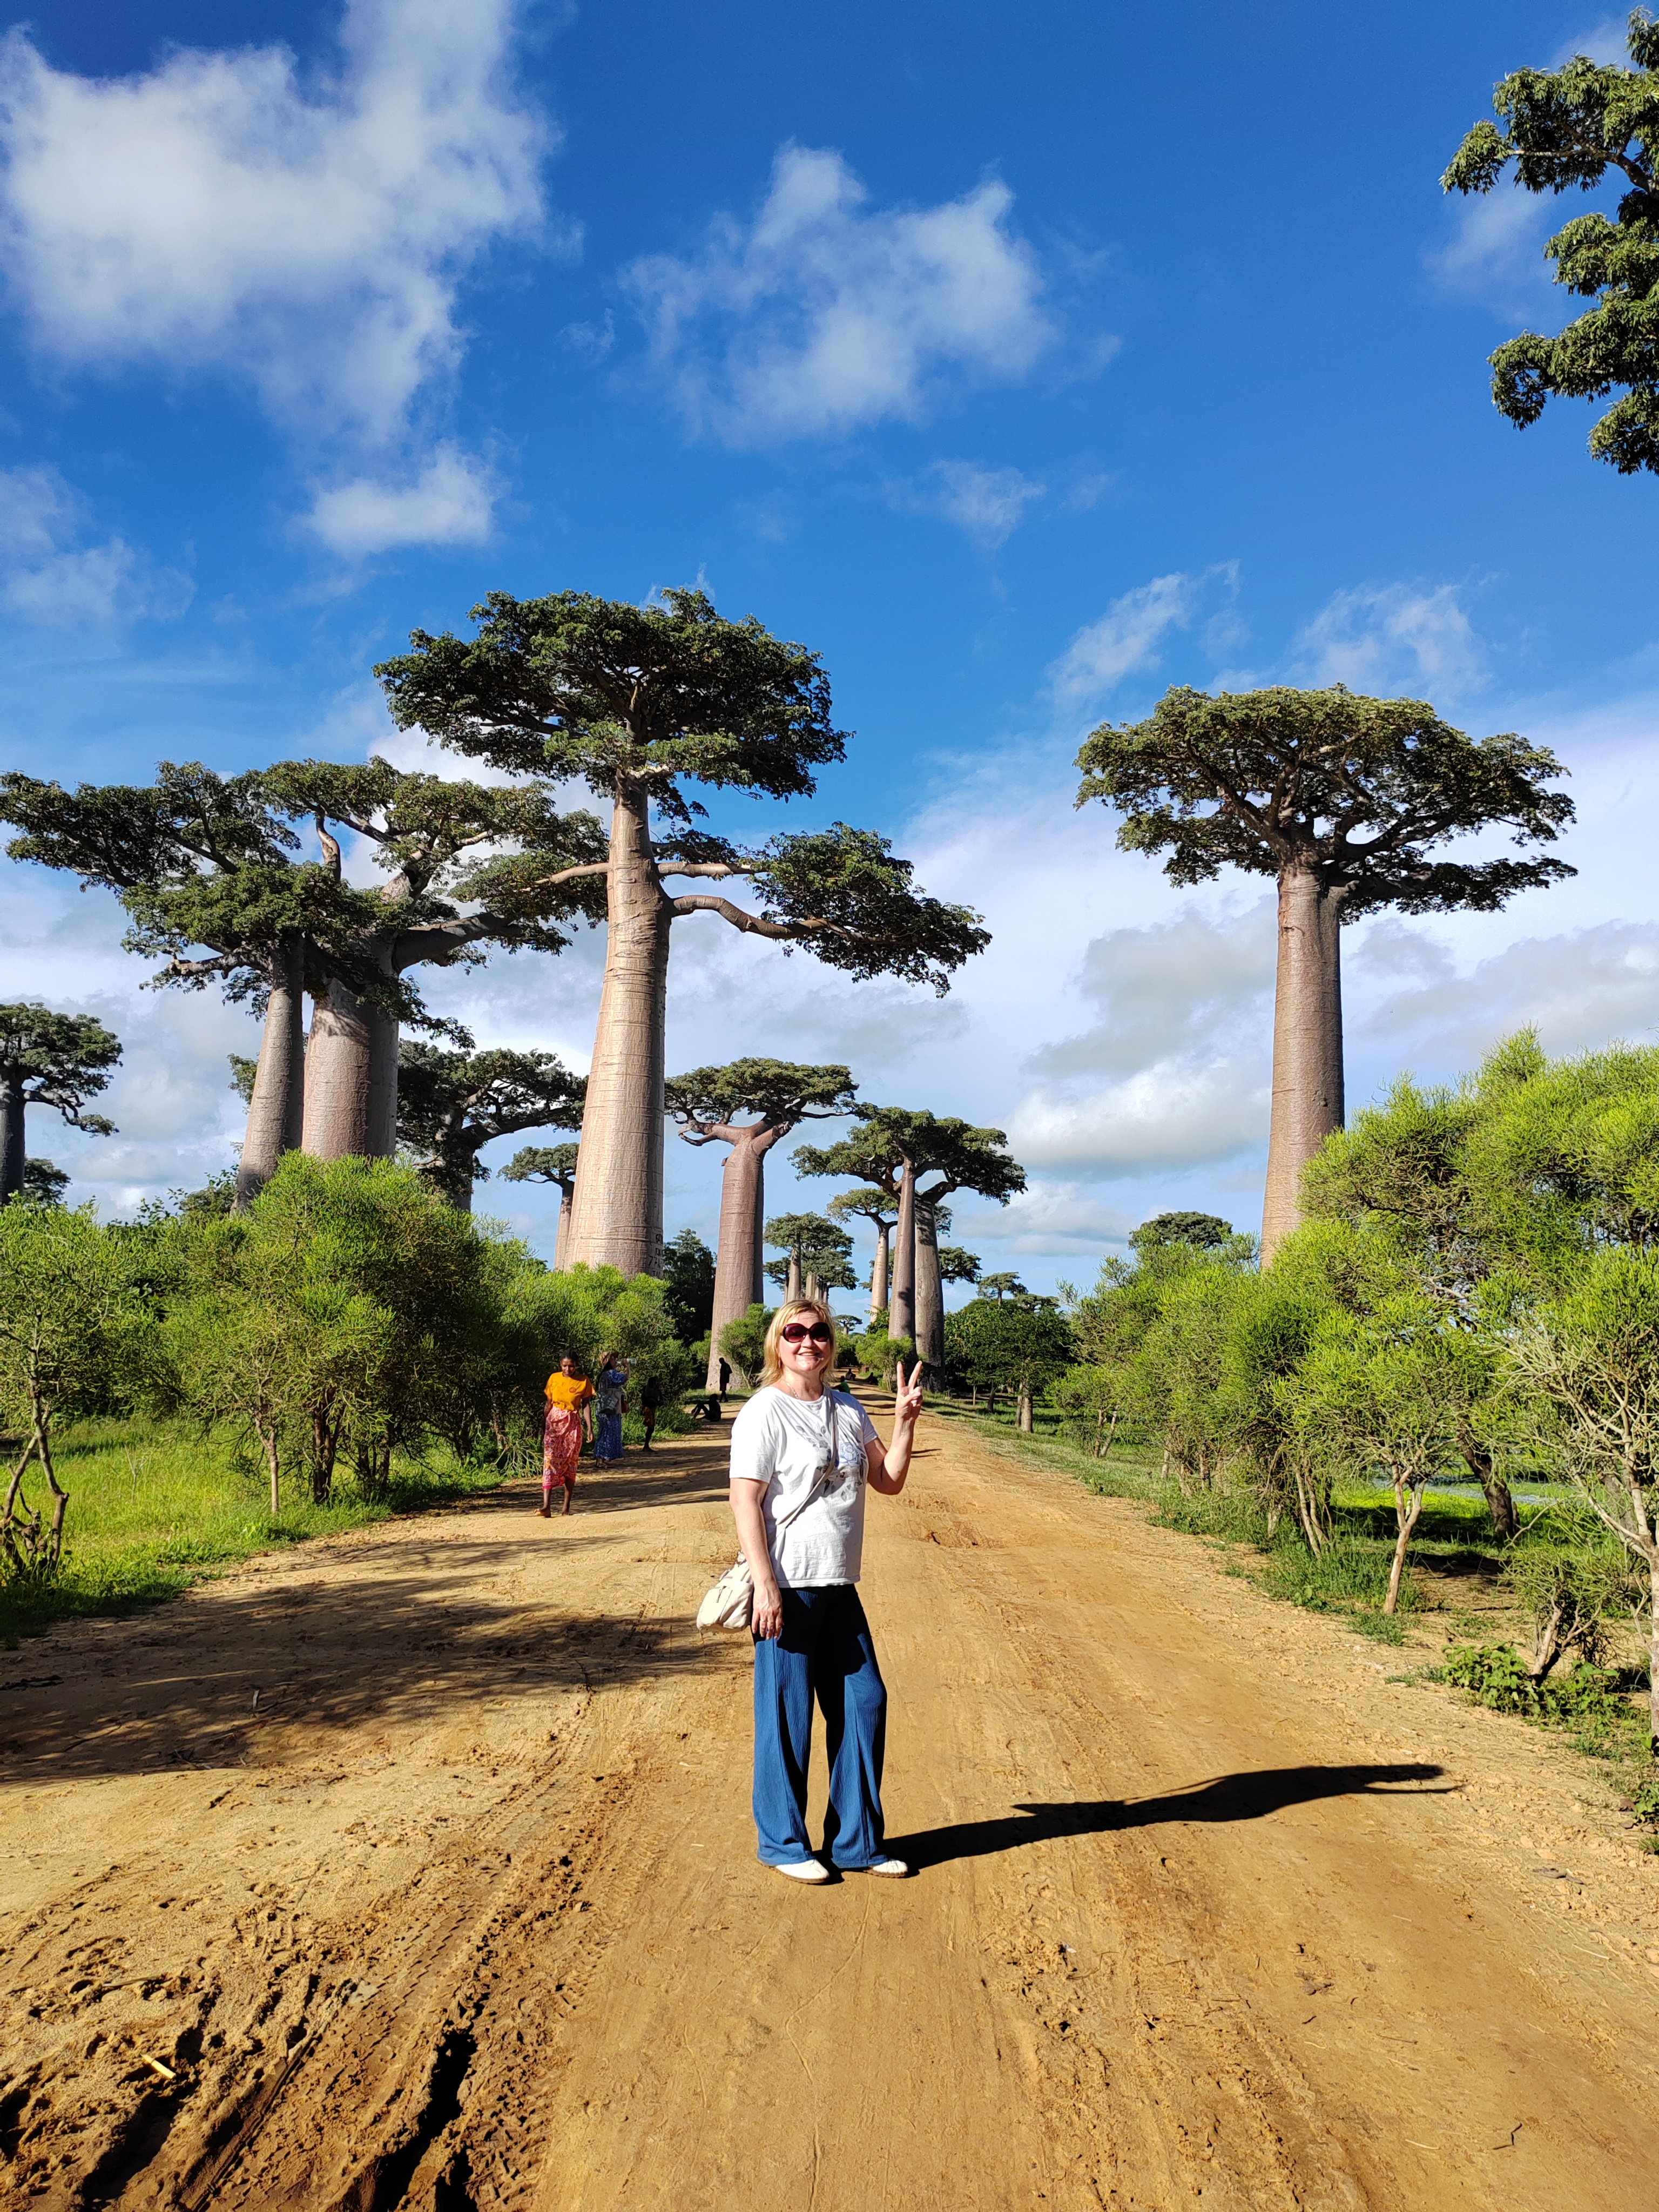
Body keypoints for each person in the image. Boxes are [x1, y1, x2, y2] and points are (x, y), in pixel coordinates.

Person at [727, 1296, 923, 1884]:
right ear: (777, 1343)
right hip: (788, 1585)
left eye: (817, 1333)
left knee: (866, 1701)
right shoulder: (765, 1412)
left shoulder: (847, 1409)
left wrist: (905, 1422)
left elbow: (887, 1482)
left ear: (830, 1345)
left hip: (839, 1585)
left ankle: (856, 1842)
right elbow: (745, 1500)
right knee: (787, 1718)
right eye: (794, 1332)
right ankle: (785, 1843)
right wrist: (765, 1585)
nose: (806, 1341)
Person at [541, 1353, 595, 1518]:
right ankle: (546, 1506)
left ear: (576, 1366)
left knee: (570, 1463)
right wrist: (544, 1426)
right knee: (549, 1460)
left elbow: (586, 1406)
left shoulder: (584, 1381)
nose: (567, 1369)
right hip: (554, 1423)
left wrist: (590, 1428)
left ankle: (566, 1507)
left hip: (572, 1425)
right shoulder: (554, 1378)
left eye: (571, 1366)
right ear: (560, 1365)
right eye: (564, 1366)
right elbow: (549, 1404)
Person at [593, 1352, 627, 1465]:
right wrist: (628, 1367)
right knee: (608, 1432)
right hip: (610, 1407)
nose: (616, 1360)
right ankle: (601, 1458)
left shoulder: (603, 1375)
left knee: (604, 1431)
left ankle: (601, 1458)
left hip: (604, 1406)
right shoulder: (611, 1374)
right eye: (613, 1359)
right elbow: (624, 1378)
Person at [639, 1370, 664, 1449]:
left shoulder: (657, 1390)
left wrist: (660, 1402)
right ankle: (646, 1446)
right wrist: (657, 1402)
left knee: (652, 1427)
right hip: (648, 1409)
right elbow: (649, 1399)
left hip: (653, 1409)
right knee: (650, 1427)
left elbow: (661, 1399)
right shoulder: (648, 1389)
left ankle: (647, 1445)